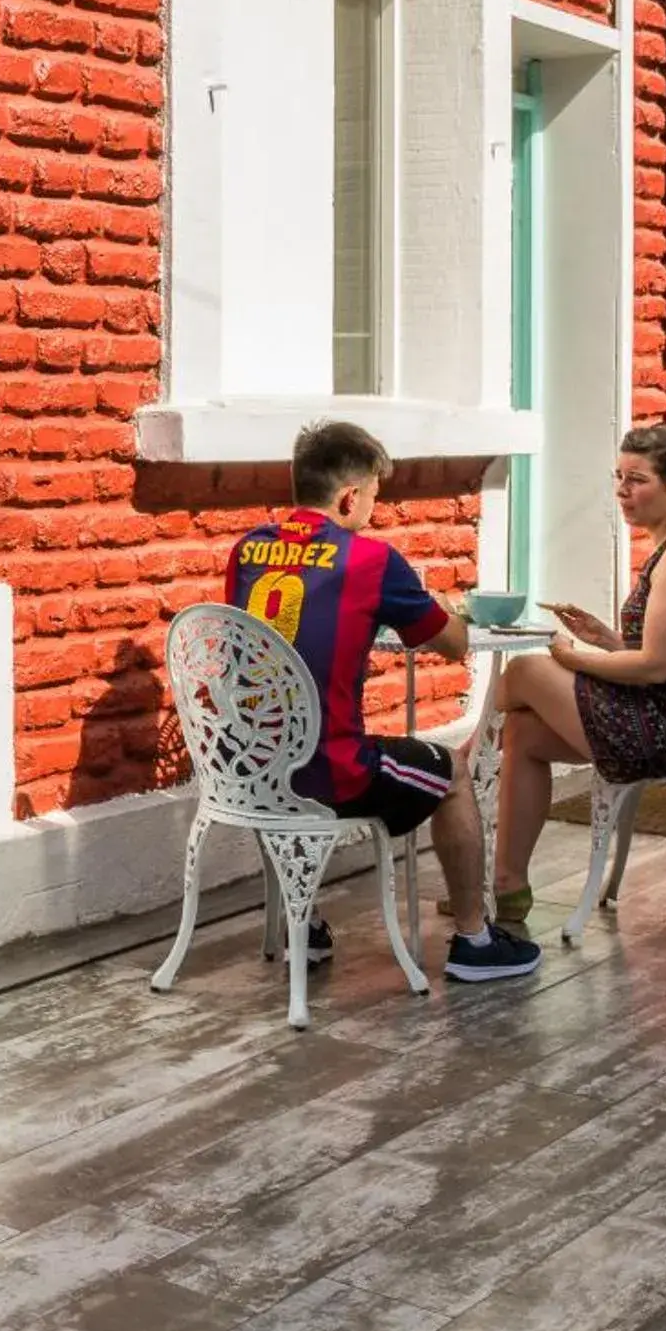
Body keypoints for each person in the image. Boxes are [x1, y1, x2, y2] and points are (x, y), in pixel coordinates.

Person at [221, 421, 542, 982]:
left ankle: (308, 926)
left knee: (290, 744)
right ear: (349, 496)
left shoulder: (248, 549)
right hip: (332, 771)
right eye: (372, 497)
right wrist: (436, 604)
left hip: (249, 766)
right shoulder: (370, 561)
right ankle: (474, 940)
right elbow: (453, 643)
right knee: (455, 772)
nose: (372, 509)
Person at [486, 424, 666, 934]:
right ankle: (508, 888)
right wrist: (606, 639)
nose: (621, 490)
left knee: (526, 670)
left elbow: (657, 666)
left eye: (637, 480)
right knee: (523, 734)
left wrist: (574, 659)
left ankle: (468, 754)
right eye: (618, 477)